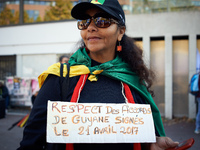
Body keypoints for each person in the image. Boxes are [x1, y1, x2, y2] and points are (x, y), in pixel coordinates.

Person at [17, 0, 179, 149]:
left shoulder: (133, 79)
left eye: (102, 21)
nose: (91, 27)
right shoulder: (60, 77)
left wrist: (150, 145)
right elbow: (31, 142)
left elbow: (137, 136)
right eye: (85, 21)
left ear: (120, 32)